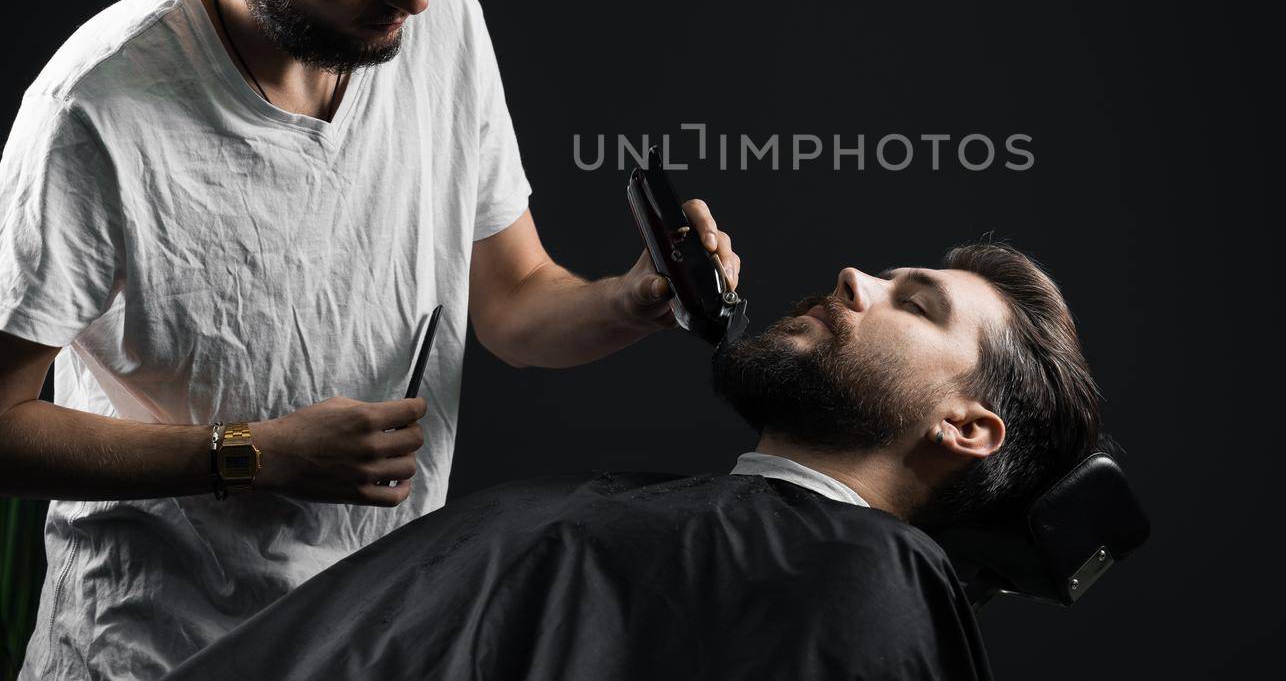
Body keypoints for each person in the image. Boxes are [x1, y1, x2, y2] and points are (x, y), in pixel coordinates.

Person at [0, 0, 738, 681]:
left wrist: (633, 297)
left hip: (377, 640)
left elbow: (518, 305)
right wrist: (250, 452)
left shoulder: (447, 29)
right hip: (153, 656)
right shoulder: (95, 109)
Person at [163, 240, 1104, 680]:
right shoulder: (722, 532)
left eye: (917, 302)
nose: (857, 274)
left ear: (969, 428)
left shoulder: (866, 583)